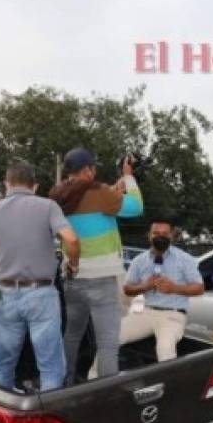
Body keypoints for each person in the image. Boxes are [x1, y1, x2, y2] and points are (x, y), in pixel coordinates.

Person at [0, 159, 80, 390]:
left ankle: (2, 411)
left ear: (6, 184)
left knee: (3, 361)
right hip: (41, 293)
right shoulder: (47, 206)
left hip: (4, 294)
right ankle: (49, 415)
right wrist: (74, 264)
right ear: (35, 185)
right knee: (50, 364)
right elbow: (71, 239)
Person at [49, 148, 143, 384]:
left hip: (72, 277)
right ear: (88, 170)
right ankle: (107, 393)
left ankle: (65, 382)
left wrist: (112, 191)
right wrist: (129, 177)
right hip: (102, 278)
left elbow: (86, 204)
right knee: (108, 342)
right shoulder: (100, 193)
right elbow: (136, 207)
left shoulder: (56, 194)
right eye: (94, 168)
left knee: (72, 335)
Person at [121, 220, 204, 361]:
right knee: (110, 337)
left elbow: (199, 288)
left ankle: (168, 383)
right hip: (145, 312)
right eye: (156, 233)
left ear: (171, 236)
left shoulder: (184, 259)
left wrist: (174, 288)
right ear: (149, 235)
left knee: (165, 348)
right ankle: (95, 380)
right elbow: (127, 289)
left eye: (165, 234)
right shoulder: (139, 260)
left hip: (173, 315)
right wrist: (144, 286)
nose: (160, 237)